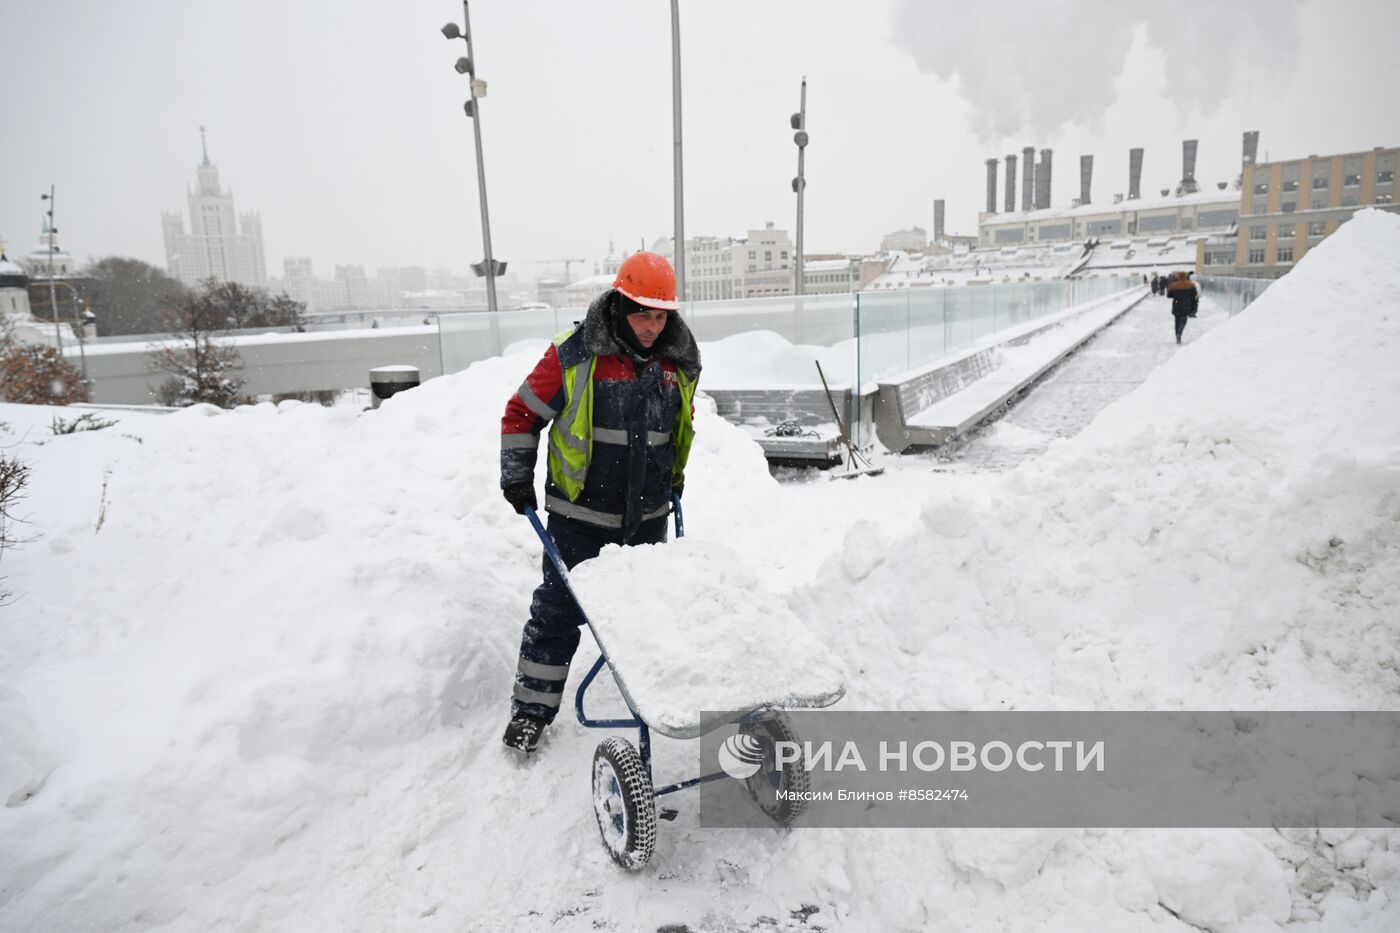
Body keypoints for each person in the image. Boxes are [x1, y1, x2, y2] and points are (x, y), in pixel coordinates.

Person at [498, 251, 701, 753]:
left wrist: (672, 480)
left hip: (647, 518)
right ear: (618, 304)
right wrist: (516, 476)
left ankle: (647, 698)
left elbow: (677, 430)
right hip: (580, 519)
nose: (652, 327)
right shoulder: (575, 355)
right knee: (558, 614)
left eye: (661, 316)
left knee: (642, 612)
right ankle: (532, 709)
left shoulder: (678, 363)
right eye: (642, 314)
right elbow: (522, 413)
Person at [1166, 270, 1199, 344]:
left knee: (1177, 321)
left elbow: (1169, 295)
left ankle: (1177, 335)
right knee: (1183, 321)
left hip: (1176, 305)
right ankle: (1179, 333)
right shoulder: (1190, 285)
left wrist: (1176, 294)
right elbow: (1194, 296)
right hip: (1186, 305)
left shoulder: (1174, 285)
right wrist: (1193, 307)